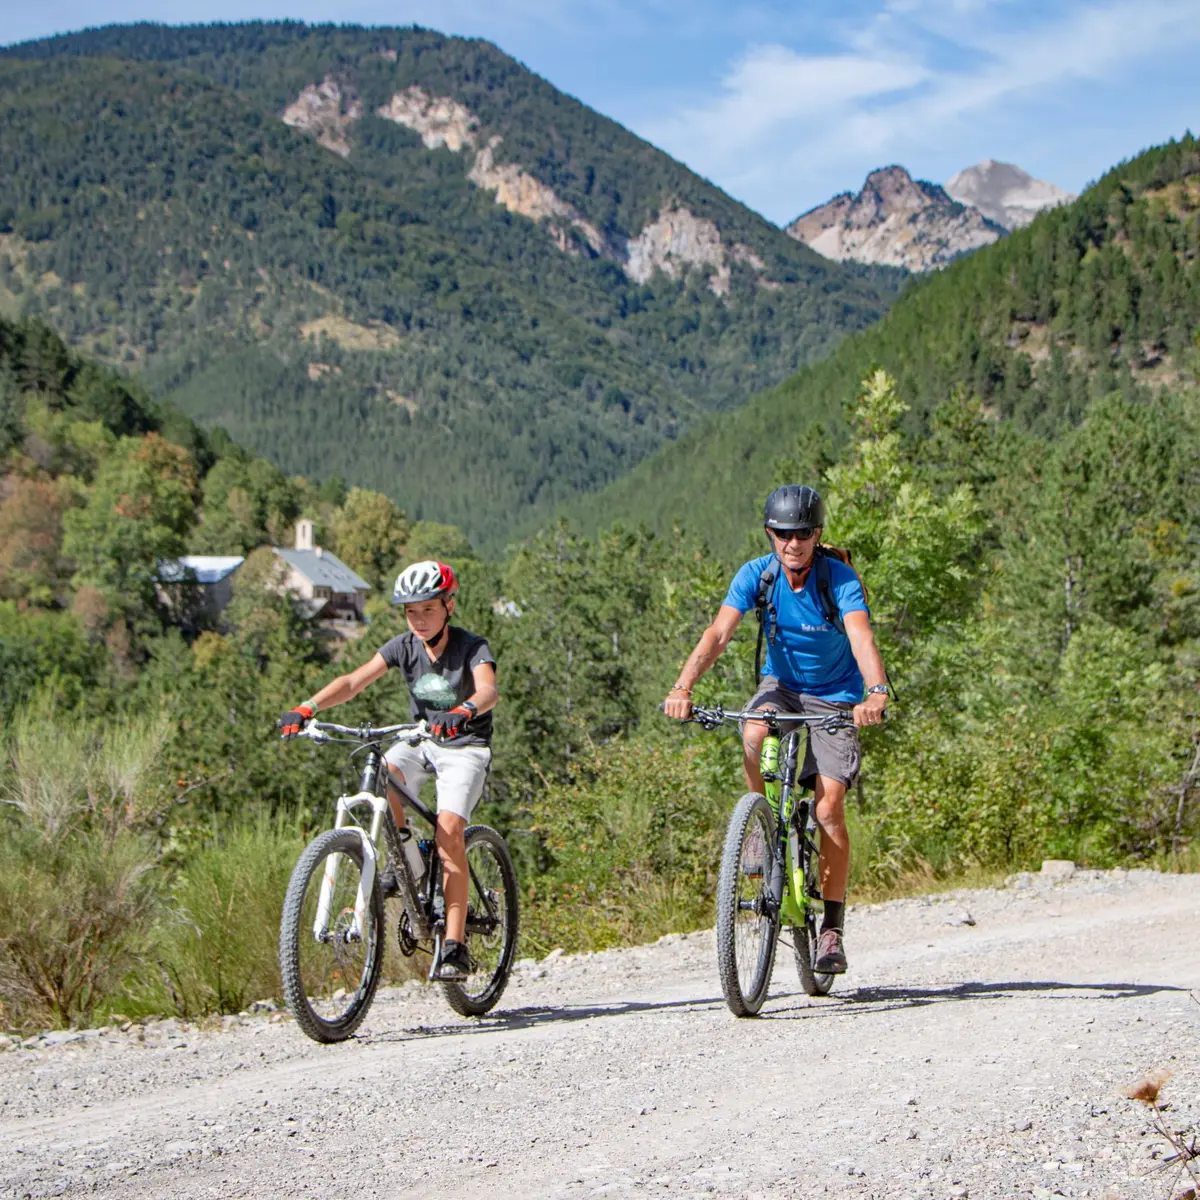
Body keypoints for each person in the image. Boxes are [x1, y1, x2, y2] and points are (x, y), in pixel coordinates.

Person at [662, 485, 888, 974]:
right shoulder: (758, 576)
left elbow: (860, 636)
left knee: (828, 807)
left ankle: (830, 928)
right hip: (781, 685)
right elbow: (718, 634)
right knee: (752, 730)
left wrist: (876, 692)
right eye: (783, 533)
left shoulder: (839, 579)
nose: (793, 543)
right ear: (770, 534)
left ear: (817, 535)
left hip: (837, 694)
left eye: (803, 533)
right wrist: (682, 687)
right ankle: (761, 824)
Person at [278, 559, 498, 981]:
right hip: (421, 738)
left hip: (464, 744)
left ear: (449, 606)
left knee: (449, 828)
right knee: (386, 772)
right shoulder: (402, 646)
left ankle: (455, 945)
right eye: (411, 612)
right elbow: (354, 680)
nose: (418, 620)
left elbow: (487, 689)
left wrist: (463, 709)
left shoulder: (472, 646)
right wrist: (308, 707)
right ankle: (406, 862)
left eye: (428, 610)